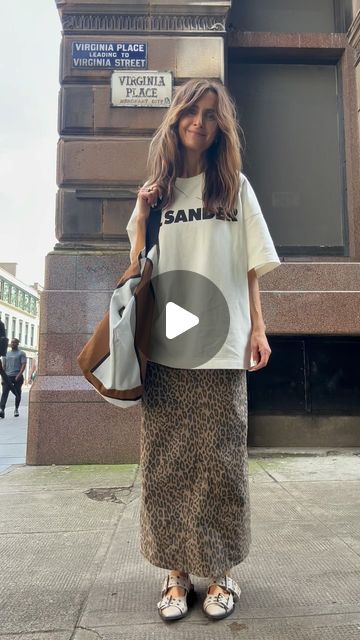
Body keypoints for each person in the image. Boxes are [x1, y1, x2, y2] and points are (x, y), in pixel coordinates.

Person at [125, 78, 281, 622]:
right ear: (176, 118)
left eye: (211, 115)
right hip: (167, 348)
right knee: (166, 464)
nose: (199, 121)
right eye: (191, 111)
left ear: (221, 127)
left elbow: (251, 266)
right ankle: (175, 575)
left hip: (223, 343)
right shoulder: (158, 191)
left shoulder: (235, 187)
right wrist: (143, 216)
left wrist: (259, 329)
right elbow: (137, 271)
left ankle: (220, 575)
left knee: (221, 464)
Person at [0, 338, 27, 418]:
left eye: (14, 342)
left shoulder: (21, 353)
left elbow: (23, 364)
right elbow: (3, 367)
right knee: (4, 393)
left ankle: (16, 409)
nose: (12, 344)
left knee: (17, 393)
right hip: (7, 376)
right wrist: (2, 378)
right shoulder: (6, 354)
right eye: (11, 342)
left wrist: (19, 374)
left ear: (17, 344)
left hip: (17, 377)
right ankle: (2, 410)